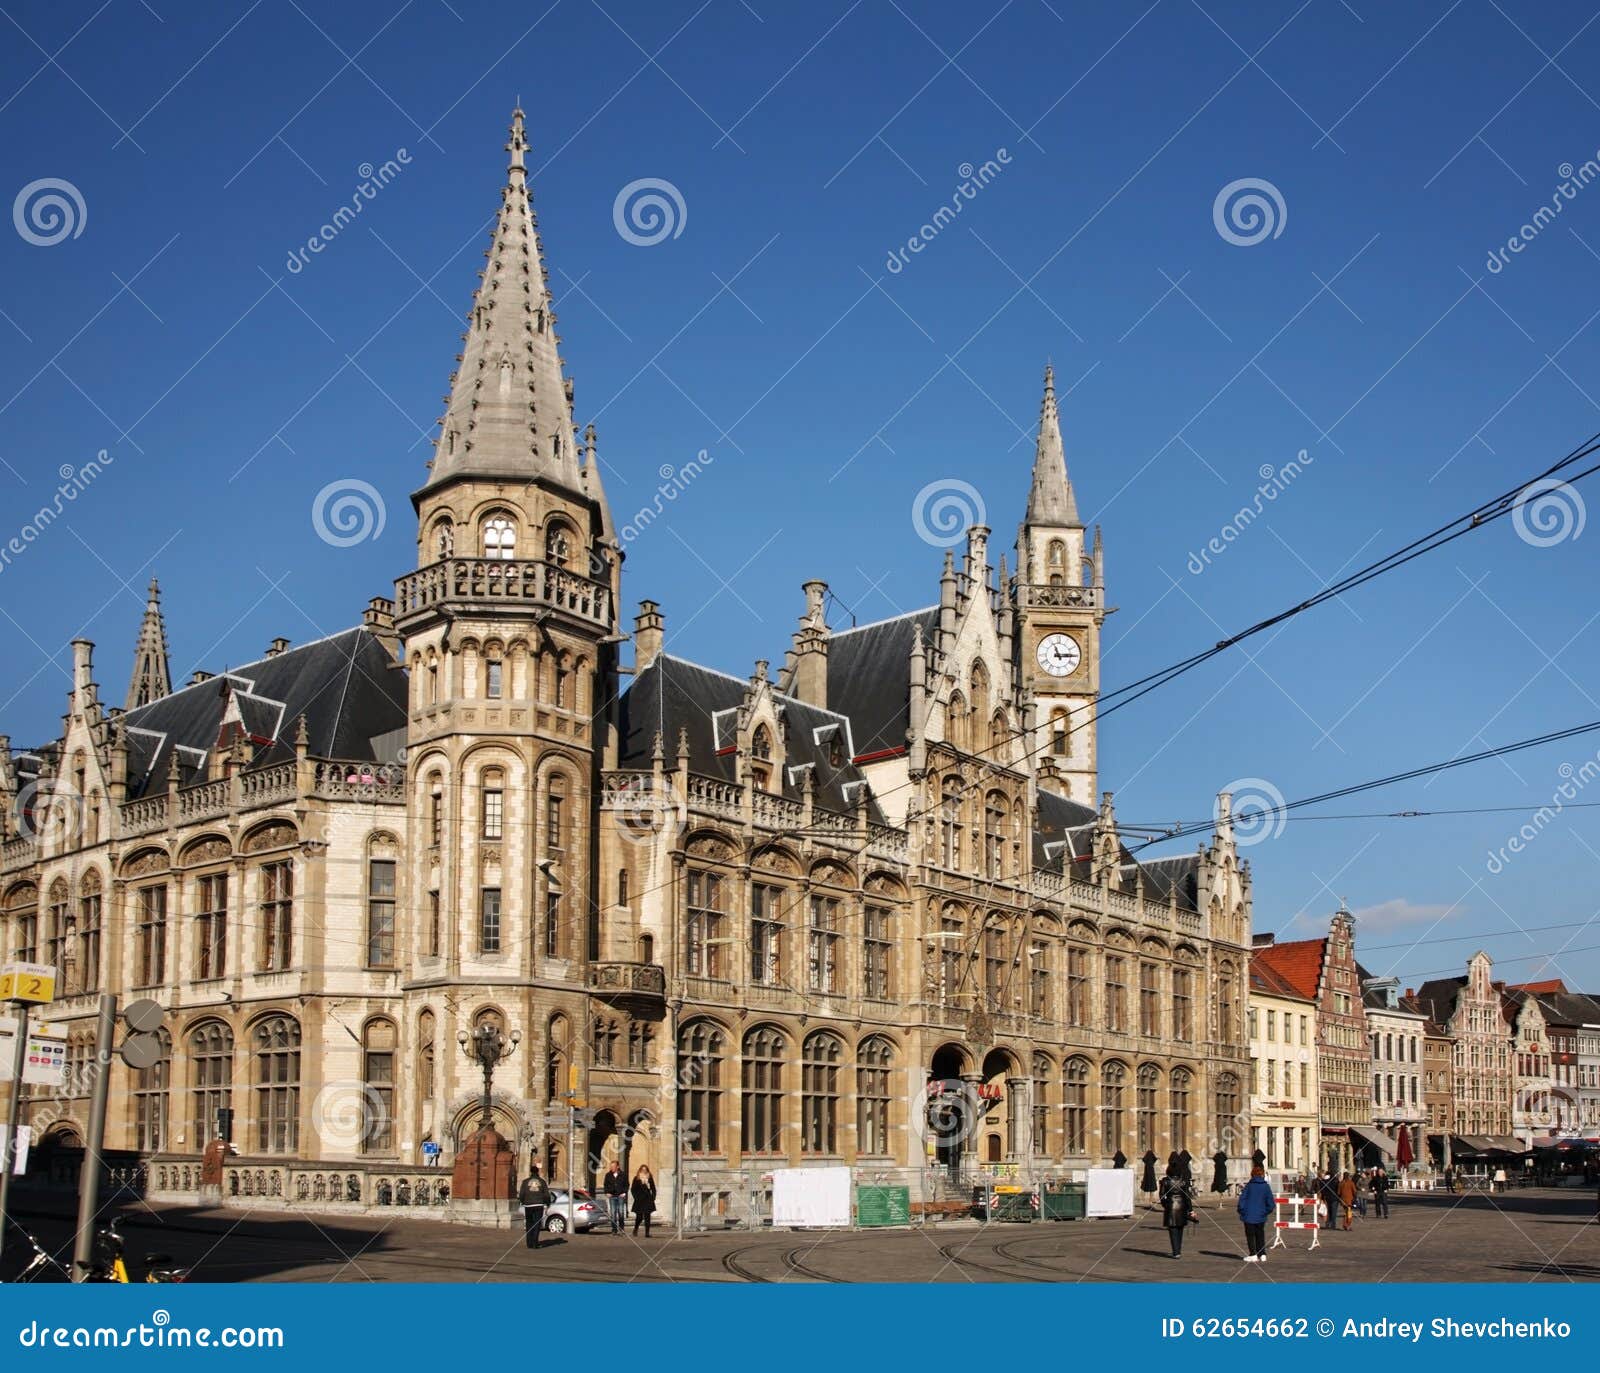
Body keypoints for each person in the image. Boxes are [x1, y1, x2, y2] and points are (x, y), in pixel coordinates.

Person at [1158, 1153, 1194, 1260]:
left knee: (1172, 1230)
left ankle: (1175, 1251)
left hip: (1170, 1207)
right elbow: (1187, 1196)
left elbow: (1161, 1195)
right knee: (1180, 1230)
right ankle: (1178, 1250)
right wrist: (1190, 1209)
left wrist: (1166, 1205)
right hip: (1181, 1207)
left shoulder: (1165, 1181)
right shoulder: (1182, 1181)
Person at [1237, 1164, 1275, 1263]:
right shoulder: (1266, 1186)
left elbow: (1242, 1200)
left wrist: (1241, 1210)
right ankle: (1262, 1254)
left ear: (1252, 1175)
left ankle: (1253, 1254)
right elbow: (1271, 1203)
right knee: (1260, 1234)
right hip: (1261, 1215)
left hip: (1248, 1215)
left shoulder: (1249, 1186)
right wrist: (1266, 1212)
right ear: (1262, 1175)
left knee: (1250, 1235)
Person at [519, 1162, 553, 1249]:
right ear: (537, 1172)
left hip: (528, 1205)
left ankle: (529, 1243)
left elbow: (522, 1193)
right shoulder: (542, 1182)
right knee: (537, 1224)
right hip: (538, 1205)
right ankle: (535, 1243)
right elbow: (546, 1194)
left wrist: (523, 1201)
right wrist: (548, 1203)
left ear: (530, 1172)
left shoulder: (525, 1182)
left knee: (529, 1224)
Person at [630, 1164, 658, 1238]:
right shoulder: (636, 1178)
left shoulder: (650, 1178)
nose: (644, 1171)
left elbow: (653, 1188)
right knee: (639, 1217)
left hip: (648, 1200)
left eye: (645, 1170)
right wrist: (636, 1197)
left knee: (647, 1217)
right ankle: (635, 1229)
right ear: (640, 1170)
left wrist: (653, 1197)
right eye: (643, 1170)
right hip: (639, 1200)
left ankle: (647, 1233)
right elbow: (633, 1189)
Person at [602, 1160, 628, 1235]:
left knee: (621, 1213)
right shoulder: (608, 1175)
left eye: (613, 1166)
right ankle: (614, 1229)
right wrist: (607, 1192)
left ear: (617, 1167)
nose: (612, 1168)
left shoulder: (623, 1175)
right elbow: (605, 1185)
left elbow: (627, 1185)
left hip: (620, 1196)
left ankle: (621, 1229)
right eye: (611, 1166)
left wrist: (624, 1193)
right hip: (612, 1196)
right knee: (613, 1213)